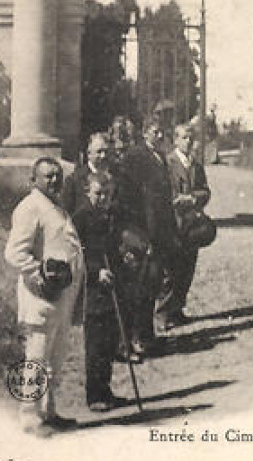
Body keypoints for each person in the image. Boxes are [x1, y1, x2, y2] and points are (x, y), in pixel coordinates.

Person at [4, 158, 85, 434]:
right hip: (41, 295)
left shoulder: (56, 206)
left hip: (63, 295)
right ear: (34, 180)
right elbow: (14, 253)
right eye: (48, 176)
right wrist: (37, 273)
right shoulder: (30, 207)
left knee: (56, 356)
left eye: (58, 175)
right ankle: (29, 416)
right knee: (36, 356)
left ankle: (48, 411)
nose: (54, 180)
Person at [117, 118, 180, 351]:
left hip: (160, 231)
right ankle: (135, 337)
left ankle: (146, 334)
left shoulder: (159, 157)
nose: (160, 136)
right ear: (145, 134)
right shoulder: (135, 157)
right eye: (156, 132)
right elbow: (132, 198)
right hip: (144, 231)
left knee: (153, 284)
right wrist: (140, 234)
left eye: (163, 132)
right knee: (140, 286)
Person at [71, 173, 130, 411]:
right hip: (93, 288)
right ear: (87, 192)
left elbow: (115, 246)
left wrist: (125, 256)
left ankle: (106, 391)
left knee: (109, 340)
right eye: (98, 193)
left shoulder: (111, 215)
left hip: (113, 284)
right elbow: (76, 254)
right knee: (95, 342)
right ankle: (94, 395)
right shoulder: (81, 218)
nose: (103, 198)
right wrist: (96, 273)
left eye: (106, 194)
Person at [161, 122, 213, 328]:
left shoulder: (196, 165)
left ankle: (177, 308)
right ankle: (163, 313)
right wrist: (177, 199)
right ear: (175, 140)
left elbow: (205, 191)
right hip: (174, 223)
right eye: (184, 138)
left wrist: (194, 199)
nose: (188, 141)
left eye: (190, 138)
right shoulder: (168, 163)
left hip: (192, 225)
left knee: (187, 267)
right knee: (170, 269)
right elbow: (164, 192)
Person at [60, 131, 112, 216]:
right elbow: (66, 212)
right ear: (89, 153)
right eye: (99, 152)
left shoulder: (116, 177)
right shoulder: (74, 179)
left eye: (106, 152)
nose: (103, 156)